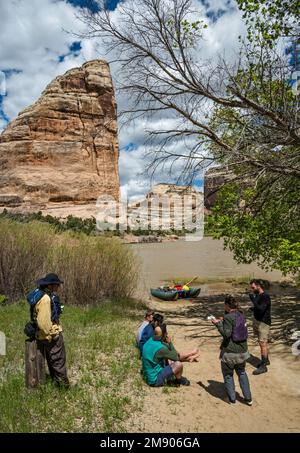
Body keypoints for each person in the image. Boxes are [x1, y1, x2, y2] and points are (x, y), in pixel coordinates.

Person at [27, 273, 69, 388]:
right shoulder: (45, 298)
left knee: (52, 361)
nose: (58, 287)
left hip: (40, 335)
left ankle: (56, 383)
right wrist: (52, 335)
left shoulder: (40, 294)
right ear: (51, 285)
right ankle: (63, 388)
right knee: (58, 361)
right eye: (57, 285)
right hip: (49, 335)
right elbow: (44, 323)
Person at [211, 295, 252, 406]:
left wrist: (217, 324)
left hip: (230, 353)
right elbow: (234, 324)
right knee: (242, 373)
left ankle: (232, 399)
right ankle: (248, 399)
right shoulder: (241, 314)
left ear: (228, 306)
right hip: (243, 351)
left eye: (224, 305)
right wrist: (223, 320)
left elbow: (226, 334)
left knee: (228, 375)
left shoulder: (229, 317)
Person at [249, 279, 271, 375]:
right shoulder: (258, 295)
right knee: (261, 342)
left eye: (253, 287)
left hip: (263, 322)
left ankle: (263, 367)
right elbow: (258, 307)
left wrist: (253, 300)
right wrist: (253, 308)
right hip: (257, 321)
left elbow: (262, 309)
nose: (252, 289)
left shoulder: (265, 296)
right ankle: (266, 360)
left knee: (263, 343)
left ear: (258, 286)